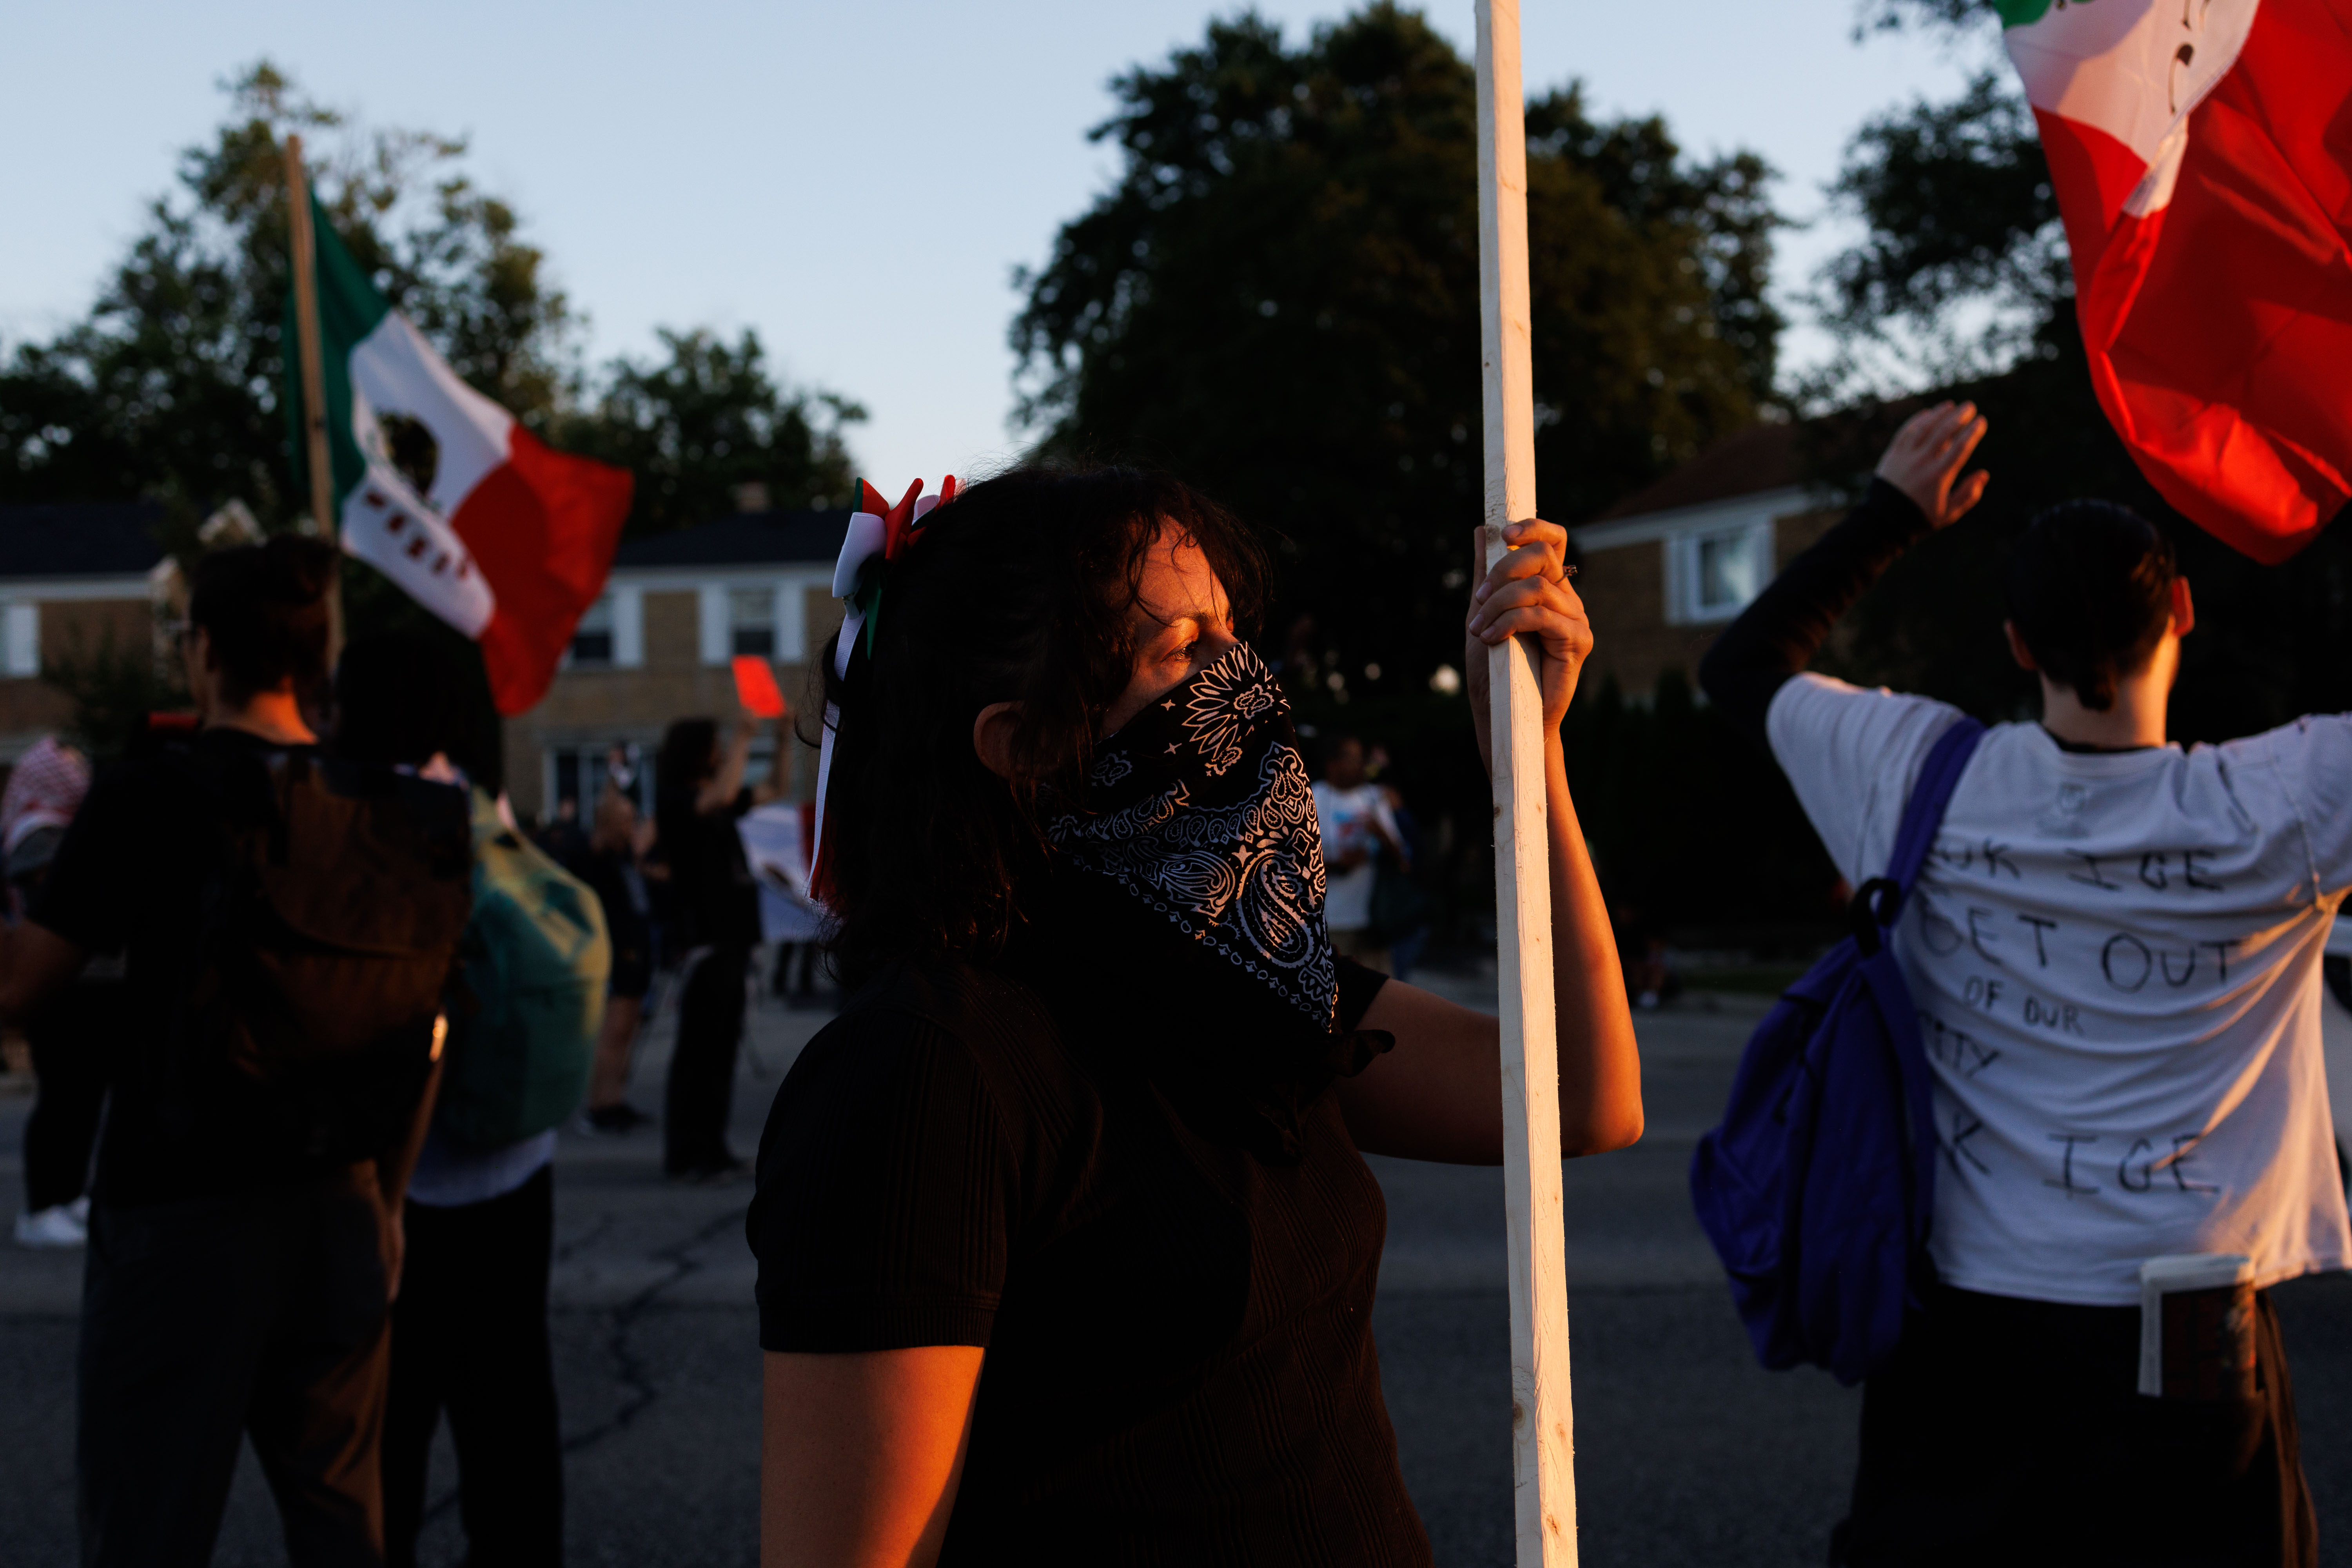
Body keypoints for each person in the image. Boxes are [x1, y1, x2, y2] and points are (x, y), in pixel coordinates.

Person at [748, 466, 1642, 1563]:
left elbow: (1581, 1098)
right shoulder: (925, 1070)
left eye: (1232, 631)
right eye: (1182, 653)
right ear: (1026, 744)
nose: (1246, 680)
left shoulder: (1241, 971)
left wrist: (1530, 754)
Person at [1699, 402, 2350, 1566]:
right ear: (2182, 615)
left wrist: (1891, 514)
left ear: (2014, 642)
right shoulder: (2288, 799)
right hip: (2191, 1325)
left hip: (1963, 1321)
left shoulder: (1913, 769)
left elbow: (1742, 662)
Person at [0, 537, 474, 1566]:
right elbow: (432, 1027)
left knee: (149, 1526)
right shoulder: (399, 814)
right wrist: (388, 1204)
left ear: (203, 650)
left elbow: (19, 984)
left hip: (180, 1215)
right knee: (345, 1529)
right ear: (315, 658)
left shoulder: (148, 796)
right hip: (345, 1203)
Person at [333, 630, 570, 1568]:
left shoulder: (384, 810)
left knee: (385, 1429)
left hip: (403, 1176)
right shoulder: (489, 804)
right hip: (516, 1160)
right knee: (510, 1412)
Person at [656, 713, 786, 1180]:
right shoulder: (676, 801)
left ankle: (712, 1147)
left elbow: (773, 788)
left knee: (721, 1054)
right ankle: (686, 1153)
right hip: (704, 946)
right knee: (698, 1053)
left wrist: (782, 740)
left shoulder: (719, 803)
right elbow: (719, 797)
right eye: (714, 746)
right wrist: (744, 738)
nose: (719, 754)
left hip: (733, 941)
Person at [4, 737, 120, 1250]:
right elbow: (59, 892)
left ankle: (68, 1196)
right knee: (64, 1097)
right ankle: (44, 1205)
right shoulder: (40, 828)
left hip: (88, 984)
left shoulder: (68, 823)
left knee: (84, 1098)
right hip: (57, 985)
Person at [578, 784, 657, 1133]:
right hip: (617, 950)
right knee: (615, 1029)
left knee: (628, 1028)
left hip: (635, 948)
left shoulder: (627, 858)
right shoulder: (597, 857)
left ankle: (614, 1098)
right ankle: (600, 1103)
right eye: (624, 821)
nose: (630, 827)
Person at [1312, 733, 1409, 974]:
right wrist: (1336, 866)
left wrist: (1382, 835)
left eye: (1360, 758)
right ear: (1332, 763)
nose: (1361, 765)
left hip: (1373, 923)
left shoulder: (1373, 798)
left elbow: (1403, 861)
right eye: (1351, 758)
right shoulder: (1311, 798)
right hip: (1329, 922)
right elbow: (1290, 863)